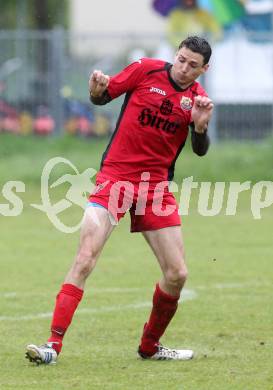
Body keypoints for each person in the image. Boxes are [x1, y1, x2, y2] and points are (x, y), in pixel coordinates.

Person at [25, 35, 213, 364]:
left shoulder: (199, 100)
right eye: (181, 60)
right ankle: (51, 346)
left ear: (204, 69)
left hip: (155, 188)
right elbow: (102, 97)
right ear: (176, 55)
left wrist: (199, 128)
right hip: (116, 179)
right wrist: (96, 89)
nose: (184, 69)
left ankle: (150, 347)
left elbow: (199, 150)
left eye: (193, 66)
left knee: (177, 274)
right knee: (85, 258)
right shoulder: (145, 70)